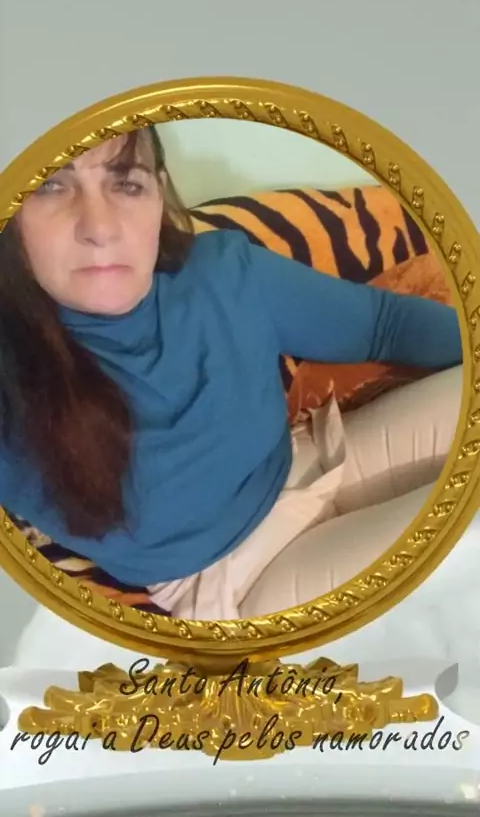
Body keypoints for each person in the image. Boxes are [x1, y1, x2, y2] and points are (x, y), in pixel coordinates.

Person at [0, 126, 463, 620]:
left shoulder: (220, 272)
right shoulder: (12, 378)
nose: (101, 227)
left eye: (126, 183)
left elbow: (382, 325)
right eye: (51, 186)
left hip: (314, 464)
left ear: (158, 196)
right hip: (230, 583)